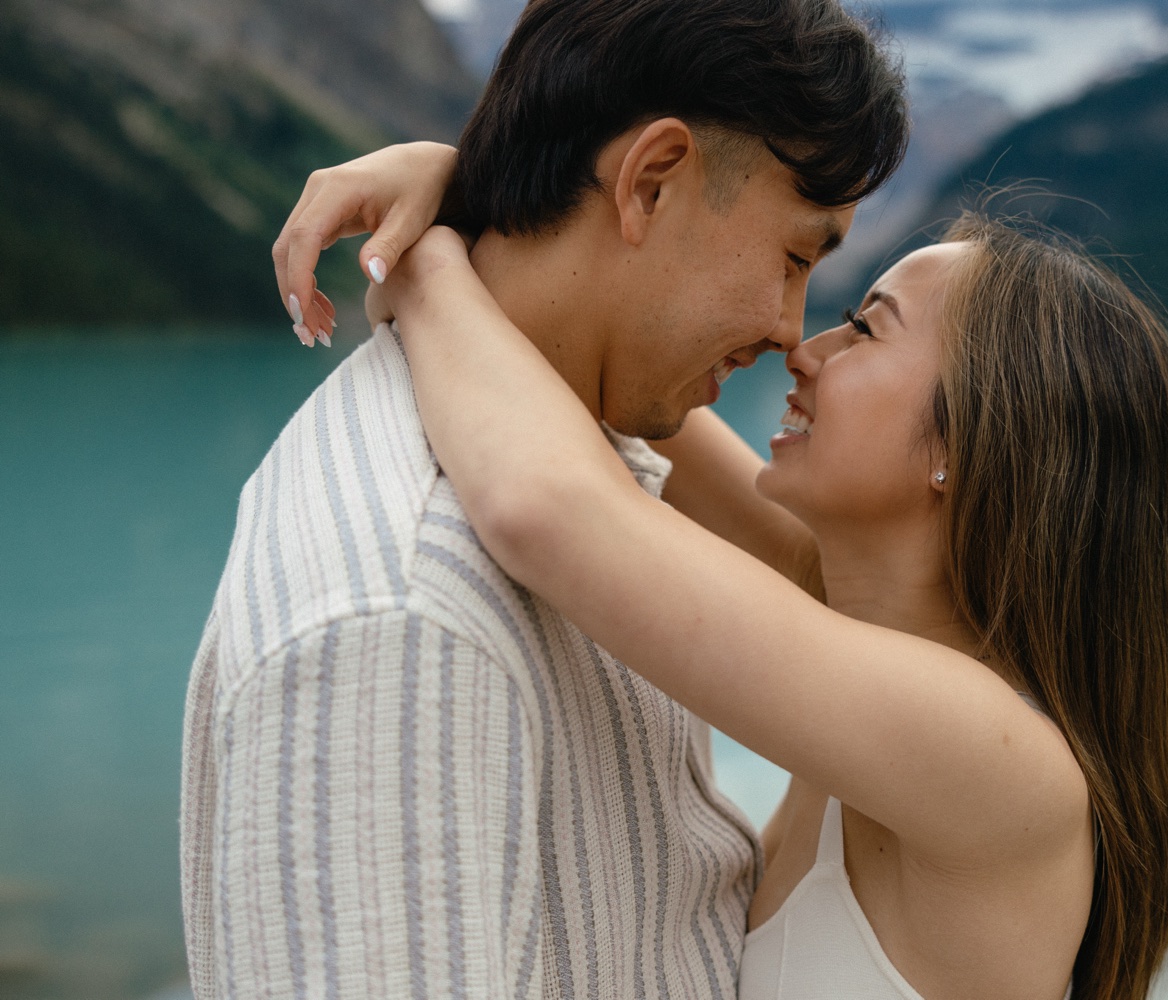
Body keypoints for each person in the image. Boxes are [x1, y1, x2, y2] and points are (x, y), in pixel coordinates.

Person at [179, 1, 907, 996]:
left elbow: (825, 575)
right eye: (794, 257)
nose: (793, 329)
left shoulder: (592, 433)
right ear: (651, 181)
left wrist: (458, 229)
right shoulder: (402, 623)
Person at [297, 212, 1168, 999]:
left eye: (864, 331)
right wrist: (471, 196)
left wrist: (424, 269)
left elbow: (548, 507)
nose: (804, 351)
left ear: (966, 444)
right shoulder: (854, 620)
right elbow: (623, 373)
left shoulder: (991, 758)